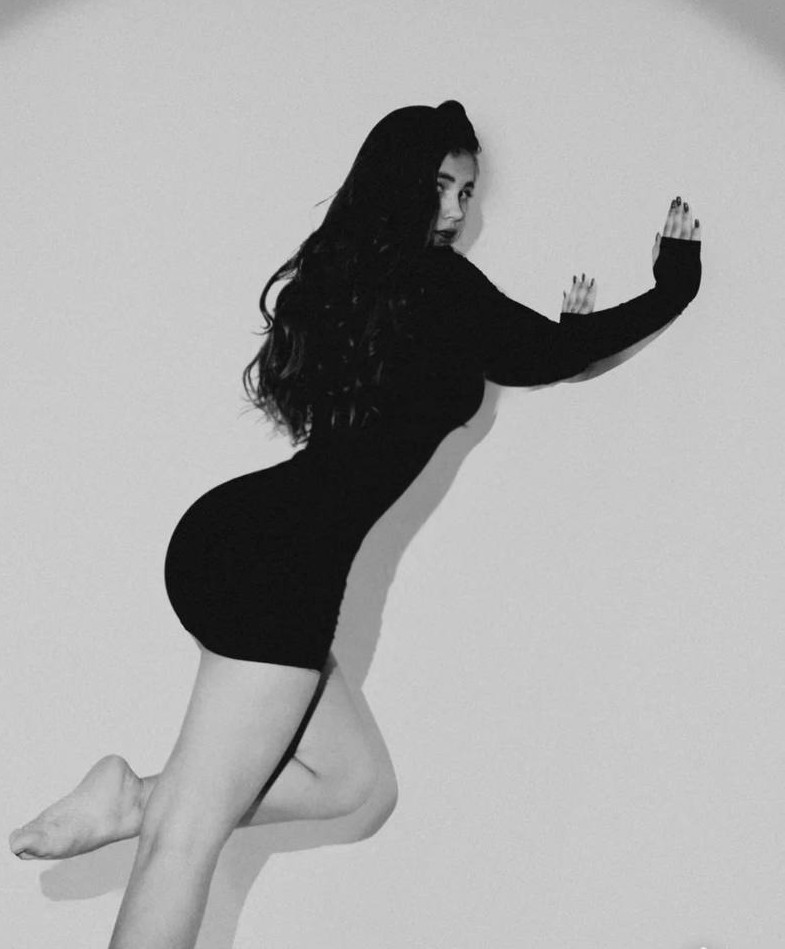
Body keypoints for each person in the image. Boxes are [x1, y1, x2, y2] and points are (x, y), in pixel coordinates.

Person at [8, 100, 702, 948]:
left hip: (242, 536)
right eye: (441, 186)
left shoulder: (347, 283)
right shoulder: (437, 283)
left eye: (466, 193)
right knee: (185, 843)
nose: (455, 210)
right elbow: (546, 354)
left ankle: (134, 798)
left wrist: (566, 338)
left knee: (357, 785)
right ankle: (154, 808)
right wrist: (674, 287)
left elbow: (529, 355)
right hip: (281, 561)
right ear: (399, 182)